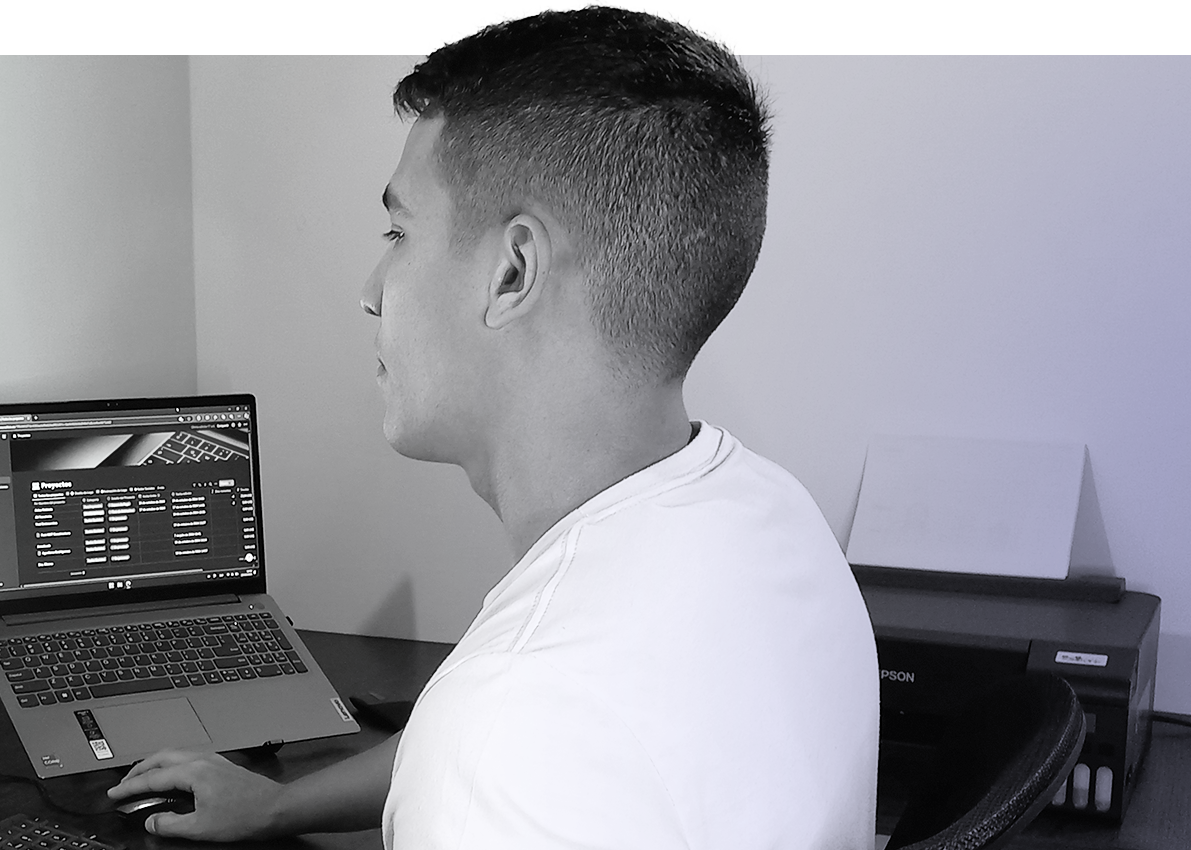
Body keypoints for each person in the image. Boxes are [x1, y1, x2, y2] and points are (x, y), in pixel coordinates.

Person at [108, 5, 879, 848]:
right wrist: (281, 806)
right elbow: (494, 741)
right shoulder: (773, 514)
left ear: (513, 273)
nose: (370, 290)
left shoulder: (509, 728)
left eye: (398, 231)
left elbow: (494, 743)